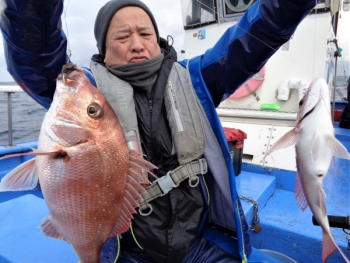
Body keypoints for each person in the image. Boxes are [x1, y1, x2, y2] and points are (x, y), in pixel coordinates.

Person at [0, 0, 318, 262]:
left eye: (145, 33)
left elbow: (255, 36)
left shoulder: (197, 78)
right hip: (127, 254)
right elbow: (34, 57)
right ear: (103, 51)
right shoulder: (87, 94)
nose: (136, 44)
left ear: (159, 39)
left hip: (201, 244)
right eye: (122, 37)